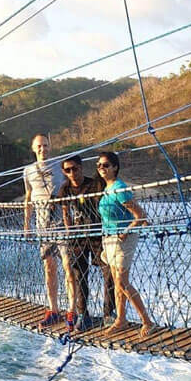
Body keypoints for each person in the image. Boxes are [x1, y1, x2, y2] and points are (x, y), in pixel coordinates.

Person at [96, 151, 155, 338]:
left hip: (123, 239)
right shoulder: (107, 188)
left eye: (106, 165)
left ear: (115, 167)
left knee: (122, 282)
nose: (102, 169)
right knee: (117, 281)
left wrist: (126, 231)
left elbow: (141, 215)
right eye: (99, 166)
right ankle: (121, 319)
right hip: (110, 238)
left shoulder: (119, 189)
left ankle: (147, 321)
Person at [59, 154, 116, 331]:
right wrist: (69, 231)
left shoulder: (94, 185)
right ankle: (83, 315)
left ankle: (108, 313)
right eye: (67, 170)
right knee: (80, 276)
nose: (72, 173)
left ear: (81, 168)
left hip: (98, 235)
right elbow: (65, 211)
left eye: (74, 168)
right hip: (77, 239)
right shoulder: (65, 189)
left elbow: (109, 183)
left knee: (108, 274)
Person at [23, 133, 74, 330]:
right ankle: (53, 310)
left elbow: (71, 187)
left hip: (62, 224)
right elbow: (28, 197)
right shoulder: (27, 171)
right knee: (49, 268)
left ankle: (71, 311)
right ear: (33, 148)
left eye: (45, 145)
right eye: (39, 146)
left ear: (50, 146)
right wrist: (27, 226)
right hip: (42, 226)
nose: (43, 149)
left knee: (69, 267)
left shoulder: (60, 166)